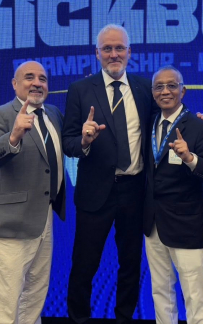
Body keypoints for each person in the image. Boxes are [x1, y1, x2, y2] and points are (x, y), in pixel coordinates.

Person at [62, 24, 159, 324]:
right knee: (84, 265)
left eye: (119, 48)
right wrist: (84, 141)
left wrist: (197, 122)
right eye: (107, 49)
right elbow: (67, 142)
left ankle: (124, 319)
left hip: (134, 191)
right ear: (97, 53)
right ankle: (79, 319)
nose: (114, 54)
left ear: (130, 52)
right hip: (95, 193)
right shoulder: (80, 90)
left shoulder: (145, 88)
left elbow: (165, 123)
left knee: (130, 264)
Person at [0, 61, 66, 324]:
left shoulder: (53, 114)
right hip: (12, 223)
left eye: (42, 78)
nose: (37, 83)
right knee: (7, 300)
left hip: (44, 220)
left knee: (35, 296)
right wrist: (13, 136)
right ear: (15, 84)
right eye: (29, 77)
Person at [143, 66, 203, 324]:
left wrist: (189, 158)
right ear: (152, 92)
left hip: (188, 225)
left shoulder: (199, 127)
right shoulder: (149, 123)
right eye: (159, 87)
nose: (165, 91)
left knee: (194, 296)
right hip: (153, 223)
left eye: (172, 86)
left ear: (183, 91)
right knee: (160, 292)